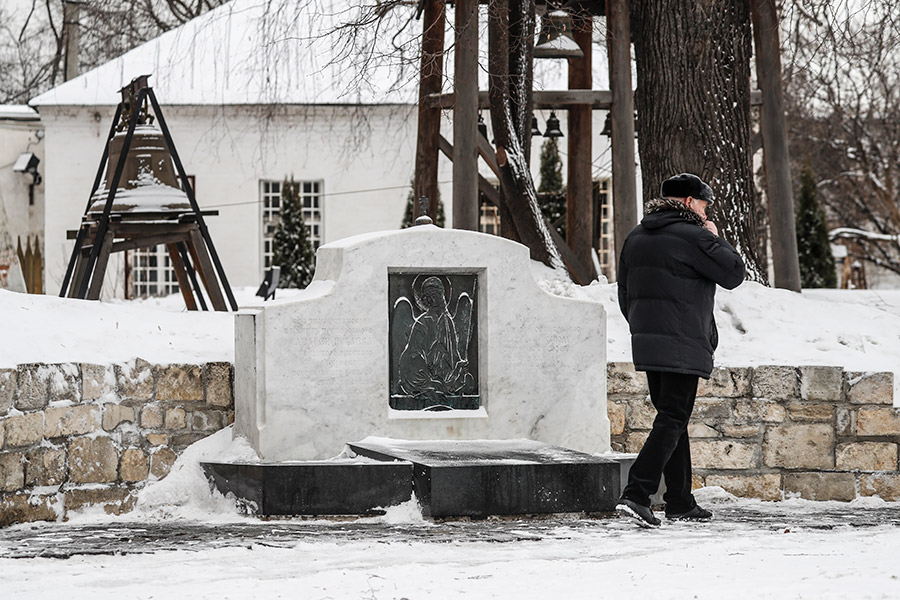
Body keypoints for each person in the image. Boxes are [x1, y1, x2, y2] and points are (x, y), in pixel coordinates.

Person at [615, 173, 745, 528]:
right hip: (682, 342)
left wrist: (646, 329)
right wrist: (715, 237)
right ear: (689, 202)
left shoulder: (636, 236)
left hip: (649, 340)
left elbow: (624, 293)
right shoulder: (696, 236)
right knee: (673, 418)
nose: (707, 211)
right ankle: (637, 493)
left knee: (673, 419)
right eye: (704, 204)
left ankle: (680, 501)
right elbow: (734, 272)